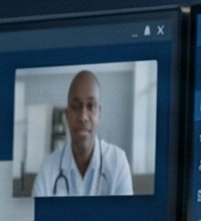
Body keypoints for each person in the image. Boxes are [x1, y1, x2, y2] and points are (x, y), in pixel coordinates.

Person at [32, 69, 134, 197]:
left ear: (99, 113)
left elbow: (126, 217)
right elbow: (36, 217)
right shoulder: (48, 169)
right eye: (75, 107)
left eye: (91, 106)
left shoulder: (117, 162)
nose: (83, 117)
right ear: (67, 115)